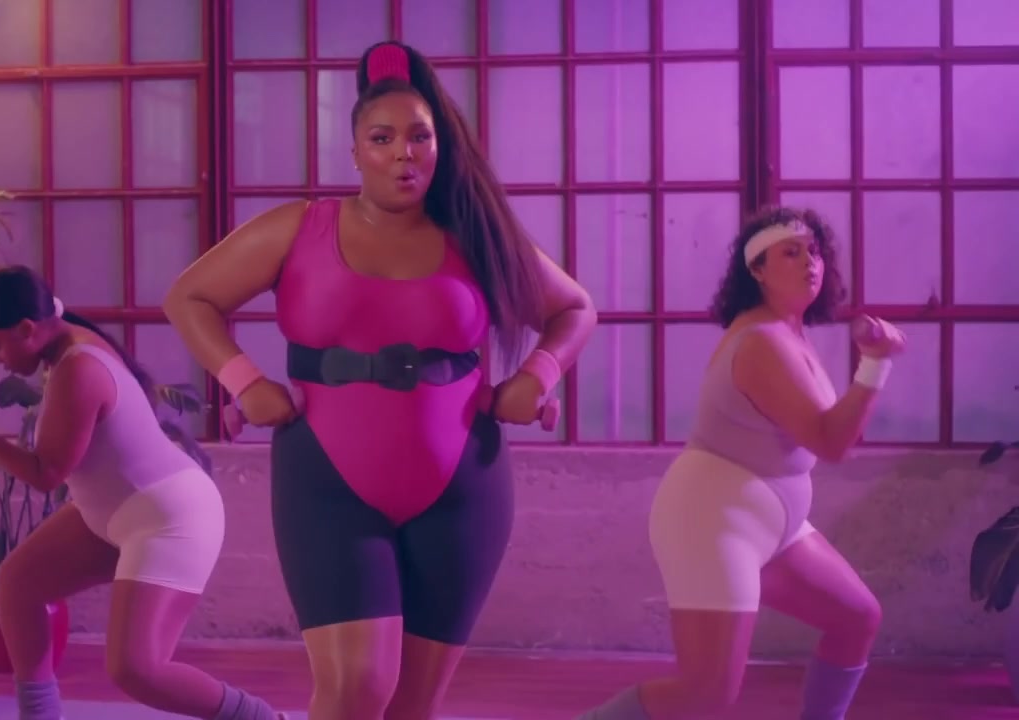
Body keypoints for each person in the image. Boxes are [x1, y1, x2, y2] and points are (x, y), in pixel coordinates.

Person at [164, 40, 597, 720]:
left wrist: (537, 375)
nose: (404, 153)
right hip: (328, 484)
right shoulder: (300, 227)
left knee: (412, 707)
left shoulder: (477, 233)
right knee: (356, 691)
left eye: (420, 137)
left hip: (463, 485)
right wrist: (243, 379)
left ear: (440, 146)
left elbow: (575, 308)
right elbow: (189, 297)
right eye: (383, 138)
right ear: (355, 151)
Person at [576, 207, 906, 719]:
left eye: (815, 251)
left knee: (856, 618)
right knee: (706, 692)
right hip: (712, 521)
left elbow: (838, 427)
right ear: (757, 270)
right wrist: (876, 364)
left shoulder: (789, 334)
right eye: (791, 253)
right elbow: (831, 442)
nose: (810, 262)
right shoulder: (760, 343)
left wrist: (870, 366)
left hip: (773, 524)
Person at [0, 265, 283, 720]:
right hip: (114, 513)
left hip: (171, 516)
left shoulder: (79, 367)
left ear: (27, 329)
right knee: (18, 583)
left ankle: (265, 719)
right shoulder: (66, 347)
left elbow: (46, 474)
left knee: (136, 669)